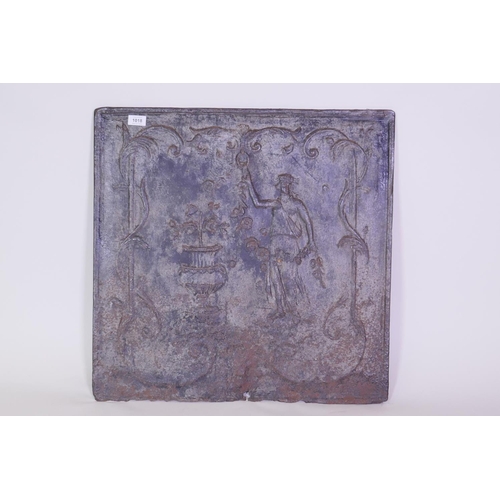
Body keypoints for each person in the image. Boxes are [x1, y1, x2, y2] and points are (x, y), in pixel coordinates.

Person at [242, 169, 317, 320]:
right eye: (282, 183)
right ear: (279, 186)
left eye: (287, 183)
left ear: (290, 185)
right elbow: (257, 203)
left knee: (289, 275)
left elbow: (307, 221)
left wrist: (311, 240)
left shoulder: (296, 204)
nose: (284, 186)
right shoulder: (276, 203)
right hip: (275, 241)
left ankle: (294, 309)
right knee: (274, 275)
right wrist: (249, 182)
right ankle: (280, 308)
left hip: (289, 241)